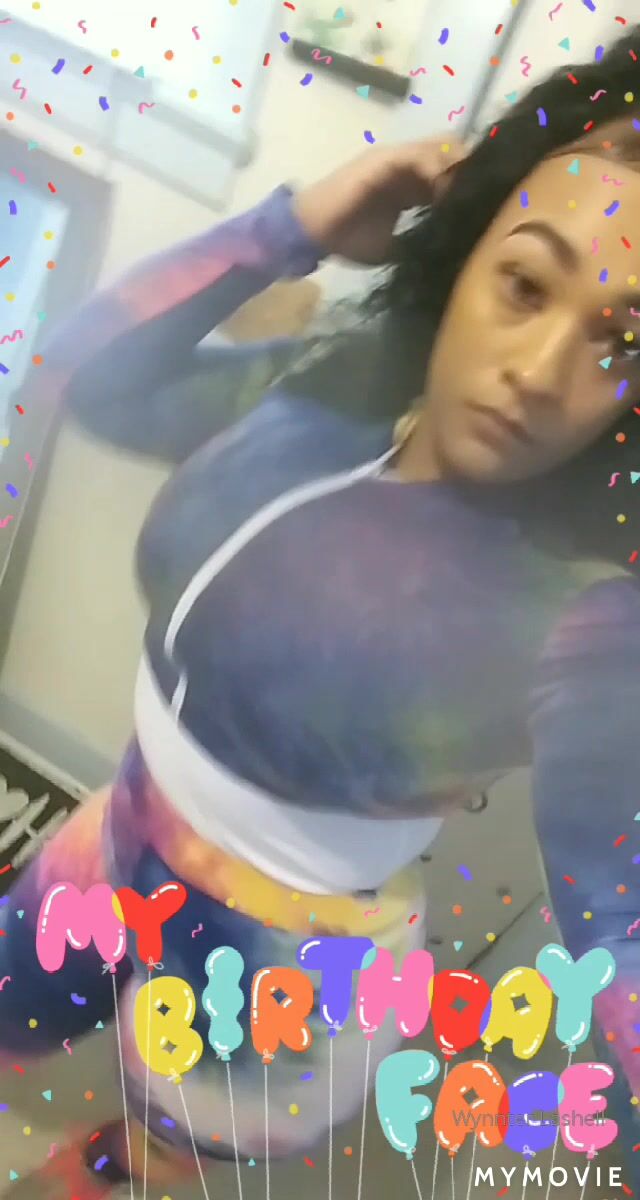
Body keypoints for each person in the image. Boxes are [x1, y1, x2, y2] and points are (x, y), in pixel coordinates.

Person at [2, 25, 640, 1200]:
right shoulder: (337, 383)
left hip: (277, 974)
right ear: (467, 251)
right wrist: (288, 227)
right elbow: (90, 376)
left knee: (138, 1163)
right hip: (118, 827)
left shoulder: (589, 614)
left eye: (620, 341)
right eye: (522, 283)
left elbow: (623, 922)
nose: (538, 369)